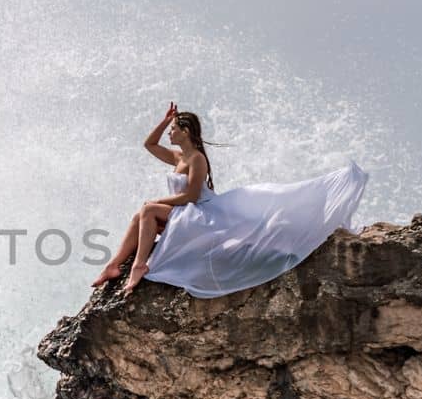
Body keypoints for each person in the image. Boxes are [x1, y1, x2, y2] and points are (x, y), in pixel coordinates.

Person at [90, 102, 370, 298]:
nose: (169, 134)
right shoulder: (177, 157)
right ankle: (114, 264)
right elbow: (148, 145)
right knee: (140, 216)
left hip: (201, 214)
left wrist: (155, 201)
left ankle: (139, 265)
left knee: (148, 210)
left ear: (185, 132)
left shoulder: (197, 159)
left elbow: (191, 196)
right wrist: (164, 119)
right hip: (186, 213)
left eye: (173, 129)